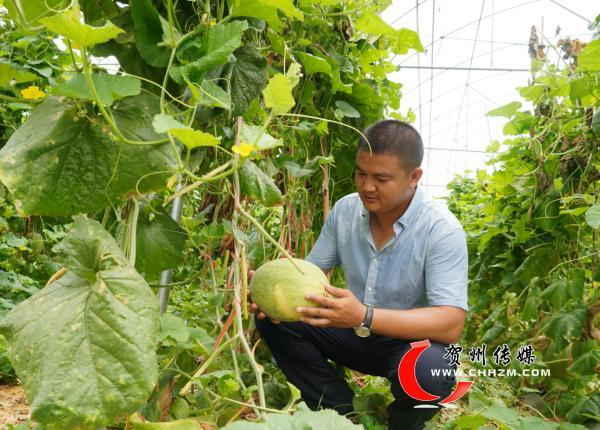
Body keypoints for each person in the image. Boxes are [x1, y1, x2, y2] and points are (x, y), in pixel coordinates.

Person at [251, 119, 468, 430]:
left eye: (381, 178)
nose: (367, 186)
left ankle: (404, 424)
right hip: (350, 333)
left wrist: (364, 315)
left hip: (406, 345)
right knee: (275, 321)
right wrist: (272, 294)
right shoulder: (345, 211)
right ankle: (340, 411)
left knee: (432, 368)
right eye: (360, 173)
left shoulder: (441, 230)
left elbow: (450, 324)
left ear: (414, 177)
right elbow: (312, 275)